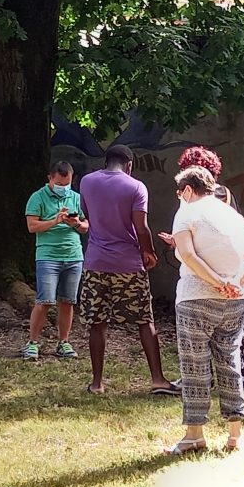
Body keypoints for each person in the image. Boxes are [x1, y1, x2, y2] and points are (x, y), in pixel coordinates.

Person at [165, 166, 244, 454]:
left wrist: (217, 283)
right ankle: (235, 435)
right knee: (229, 360)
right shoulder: (233, 215)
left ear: (189, 190)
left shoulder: (187, 212)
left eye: (180, 192)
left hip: (196, 299)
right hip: (236, 300)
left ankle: (194, 435)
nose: (179, 197)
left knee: (195, 365)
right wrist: (234, 282)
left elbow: (190, 257)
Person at [79, 144, 178, 395]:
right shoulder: (136, 187)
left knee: (97, 323)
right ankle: (157, 379)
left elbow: (88, 215)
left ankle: (97, 383)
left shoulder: (87, 182)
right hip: (129, 265)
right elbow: (142, 227)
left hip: (95, 263)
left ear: (106, 161)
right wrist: (149, 252)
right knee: (145, 320)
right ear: (129, 165)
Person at [161, 145, 244, 396]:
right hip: (233, 281)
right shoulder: (221, 197)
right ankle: (240, 385)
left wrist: (218, 280)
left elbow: (203, 240)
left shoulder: (206, 200)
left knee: (204, 345)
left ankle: (214, 387)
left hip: (209, 284)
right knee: (233, 341)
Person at [22, 160, 87, 360]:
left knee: (68, 302)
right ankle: (32, 342)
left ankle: (64, 342)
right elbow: (32, 227)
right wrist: (55, 221)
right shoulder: (37, 197)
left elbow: (86, 227)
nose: (63, 188)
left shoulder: (76, 198)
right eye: (59, 184)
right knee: (45, 301)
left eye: (66, 183)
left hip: (74, 256)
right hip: (48, 256)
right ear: (50, 178)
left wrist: (76, 224)